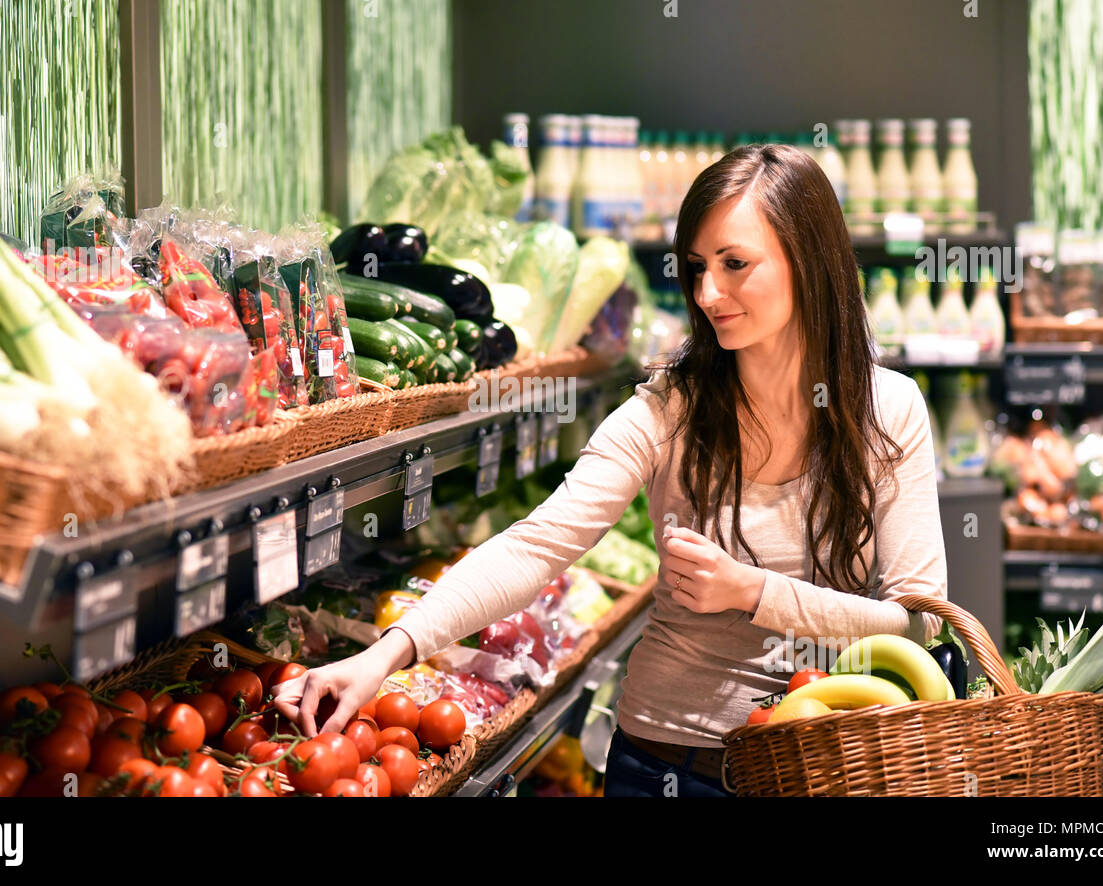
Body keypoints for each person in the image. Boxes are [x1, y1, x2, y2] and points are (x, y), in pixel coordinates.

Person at [274, 144, 947, 798]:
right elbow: (537, 545)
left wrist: (753, 593)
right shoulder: (668, 411)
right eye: (696, 267)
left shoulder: (886, 413)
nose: (709, 292)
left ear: (808, 261)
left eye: (736, 264)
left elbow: (922, 624)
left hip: (832, 764)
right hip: (668, 763)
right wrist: (383, 656)